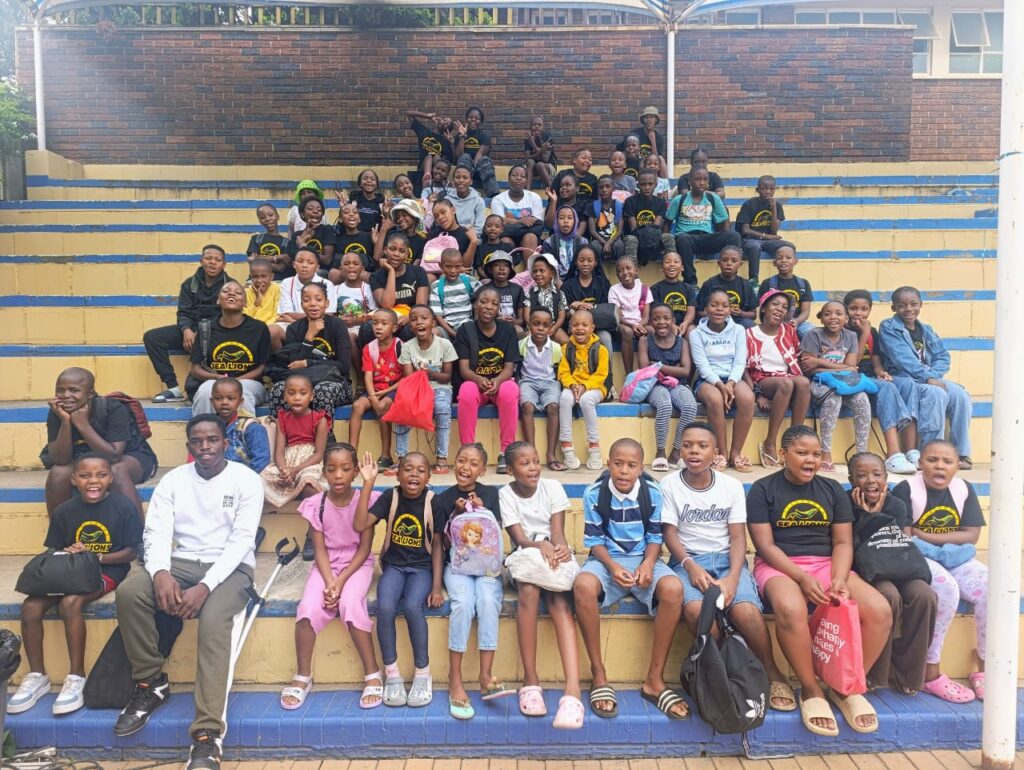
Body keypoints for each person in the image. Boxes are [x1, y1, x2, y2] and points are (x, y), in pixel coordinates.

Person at [112, 414, 263, 770]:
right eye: (197, 441)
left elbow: (242, 541)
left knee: (212, 620)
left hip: (232, 568)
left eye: (212, 440)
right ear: (189, 446)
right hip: (181, 561)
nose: (205, 447)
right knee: (130, 592)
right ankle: (151, 682)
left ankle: (208, 735)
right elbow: (156, 532)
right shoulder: (174, 480)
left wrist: (205, 587)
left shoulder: (246, 480)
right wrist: (160, 572)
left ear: (225, 443)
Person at [746, 425, 893, 737]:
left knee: (880, 611)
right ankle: (811, 688)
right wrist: (801, 578)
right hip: (779, 565)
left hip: (827, 564)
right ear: (783, 455)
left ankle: (845, 686)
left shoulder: (832, 490)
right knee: (790, 608)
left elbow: (842, 542)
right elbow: (765, 546)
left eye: (816, 454)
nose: (810, 460)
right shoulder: (762, 489)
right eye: (802, 453)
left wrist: (839, 578)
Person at [661, 423, 796, 712]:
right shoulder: (669, 484)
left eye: (702, 446)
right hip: (688, 560)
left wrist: (734, 577)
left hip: (727, 560)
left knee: (745, 611)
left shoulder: (731, 486)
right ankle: (722, 669)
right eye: (687, 445)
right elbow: (670, 534)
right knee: (697, 611)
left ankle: (771, 671)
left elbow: (737, 538)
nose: (694, 451)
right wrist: (690, 567)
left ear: (716, 453)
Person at [11, 453, 143, 716]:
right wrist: (70, 552)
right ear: (73, 479)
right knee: (31, 606)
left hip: (109, 569)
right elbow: (55, 549)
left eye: (101, 475)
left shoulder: (123, 507)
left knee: (71, 602)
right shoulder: (64, 511)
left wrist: (95, 557)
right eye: (85, 475)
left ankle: (76, 676)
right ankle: (37, 676)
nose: (93, 481)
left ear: (111, 477)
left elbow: (131, 552)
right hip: (71, 570)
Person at [573, 438, 687, 722]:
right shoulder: (594, 493)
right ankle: (599, 673)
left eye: (631, 465)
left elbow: (655, 536)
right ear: (608, 463)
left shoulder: (653, 492)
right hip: (606, 560)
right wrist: (612, 567)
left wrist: (648, 563)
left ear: (641, 468)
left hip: (643, 559)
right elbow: (595, 541)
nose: (624, 470)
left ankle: (654, 680)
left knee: (673, 588)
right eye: (618, 463)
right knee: (583, 585)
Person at [281, 444, 382, 710]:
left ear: (356, 471)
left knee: (350, 603)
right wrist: (329, 582)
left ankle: (372, 673)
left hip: (357, 565)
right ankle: (303, 675)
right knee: (307, 608)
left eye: (346, 469)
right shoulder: (316, 504)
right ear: (323, 473)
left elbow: (365, 549)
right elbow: (320, 550)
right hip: (326, 566)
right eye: (332, 469)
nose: (338, 475)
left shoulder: (367, 500)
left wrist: (340, 582)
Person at [892, 439, 987, 702]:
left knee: (991, 587)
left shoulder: (963, 489)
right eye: (932, 460)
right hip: (918, 557)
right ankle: (930, 669)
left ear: (957, 466)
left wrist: (926, 536)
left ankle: (985, 666)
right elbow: (905, 538)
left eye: (947, 461)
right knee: (946, 588)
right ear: (920, 463)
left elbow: (971, 535)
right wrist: (938, 544)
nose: (939, 466)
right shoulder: (906, 489)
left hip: (953, 557)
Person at [499, 441, 582, 729]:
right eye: (525, 464)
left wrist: (559, 550)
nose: (533, 467)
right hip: (526, 557)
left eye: (536, 461)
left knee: (559, 598)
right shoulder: (506, 494)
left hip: (553, 556)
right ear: (510, 470)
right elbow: (520, 539)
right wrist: (540, 546)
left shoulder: (553, 487)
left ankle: (572, 691)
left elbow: (558, 533)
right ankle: (530, 680)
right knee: (529, 591)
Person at [354, 451, 441, 708]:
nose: (414, 474)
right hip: (394, 566)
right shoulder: (390, 497)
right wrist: (368, 483)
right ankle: (391, 673)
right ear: (397, 474)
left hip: (422, 568)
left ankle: (423, 673)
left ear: (429, 476)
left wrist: (436, 586)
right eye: (408, 469)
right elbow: (360, 524)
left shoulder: (433, 501)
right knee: (385, 607)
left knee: (413, 606)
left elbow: (438, 545)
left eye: (421, 470)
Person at [430, 443, 511, 719]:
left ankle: (486, 676)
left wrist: (481, 510)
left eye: (473, 464)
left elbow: (493, 536)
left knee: (487, 601)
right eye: (462, 460)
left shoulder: (491, 494)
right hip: (457, 567)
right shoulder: (442, 500)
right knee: (463, 604)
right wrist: (456, 514)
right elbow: (440, 544)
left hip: (487, 567)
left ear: (483, 470)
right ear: (454, 462)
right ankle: (455, 678)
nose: (466, 467)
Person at [847, 452, 937, 696]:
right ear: (851, 479)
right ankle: (876, 672)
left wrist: (875, 517)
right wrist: (868, 516)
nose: (870, 480)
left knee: (925, 596)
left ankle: (908, 673)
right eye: (862, 475)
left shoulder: (896, 505)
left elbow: (892, 544)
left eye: (877, 474)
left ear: (886, 477)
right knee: (888, 596)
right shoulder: (845, 504)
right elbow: (855, 547)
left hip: (898, 566)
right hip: (866, 570)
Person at [42, 367, 155, 517]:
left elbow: (113, 456)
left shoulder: (113, 408)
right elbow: (60, 459)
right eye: (60, 390)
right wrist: (65, 422)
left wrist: (83, 425)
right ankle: (59, 530)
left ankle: (137, 530)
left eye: (74, 390)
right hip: (83, 457)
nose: (66, 396)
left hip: (129, 456)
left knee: (115, 471)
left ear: (90, 394)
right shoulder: (57, 411)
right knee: (58, 473)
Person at [880, 286, 973, 469]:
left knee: (960, 395)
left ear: (921, 304)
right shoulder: (889, 327)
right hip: (903, 378)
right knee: (936, 394)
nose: (908, 309)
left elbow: (943, 356)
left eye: (913, 304)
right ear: (893, 308)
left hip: (928, 377)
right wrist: (929, 378)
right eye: (902, 305)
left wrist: (933, 376)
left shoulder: (926, 329)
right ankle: (931, 454)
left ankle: (960, 453)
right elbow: (902, 359)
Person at [144, 245, 232, 403]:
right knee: (152, 337)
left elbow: (229, 315)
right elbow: (184, 312)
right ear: (201, 261)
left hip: (217, 332)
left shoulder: (230, 286)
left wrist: (204, 330)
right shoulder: (189, 284)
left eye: (217, 260)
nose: (212, 262)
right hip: (192, 330)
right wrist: (186, 330)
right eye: (208, 258)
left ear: (224, 264)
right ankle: (173, 388)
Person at [844, 289, 919, 474]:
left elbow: (875, 360)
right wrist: (864, 333)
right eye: (853, 308)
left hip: (871, 377)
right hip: (852, 377)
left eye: (864, 309)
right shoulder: (843, 330)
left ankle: (911, 451)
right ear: (846, 309)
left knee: (907, 383)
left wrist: (881, 373)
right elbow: (852, 364)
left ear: (870, 310)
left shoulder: (873, 332)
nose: (858, 313)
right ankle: (893, 455)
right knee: (887, 388)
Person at [456, 287, 523, 474]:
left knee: (510, 390)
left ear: (499, 308)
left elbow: (509, 368)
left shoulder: (507, 330)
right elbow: (464, 369)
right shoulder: (466, 330)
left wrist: (497, 381)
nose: (488, 307)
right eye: (484, 302)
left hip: (500, 384)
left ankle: (506, 452)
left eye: (494, 303)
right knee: (466, 390)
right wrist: (479, 379)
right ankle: (468, 449)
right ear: (475, 305)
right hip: (476, 384)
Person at [800, 300, 872, 471]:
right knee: (833, 398)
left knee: (862, 398)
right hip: (818, 383)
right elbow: (809, 368)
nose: (833, 317)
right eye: (827, 314)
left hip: (844, 383)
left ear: (846, 318)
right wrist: (843, 367)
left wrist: (819, 361)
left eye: (839, 313)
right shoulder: (813, 335)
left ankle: (862, 453)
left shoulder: (851, 336)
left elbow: (852, 367)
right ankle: (825, 453)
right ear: (821, 318)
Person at [689, 288, 755, 472]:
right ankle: (721, 453)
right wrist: (720, 385)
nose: (719, 309)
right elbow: (702, 365)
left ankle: (736, 453)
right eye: (714, 305)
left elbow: (740, 361)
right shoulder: (696, 334)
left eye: (725, 306)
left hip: (733, 377)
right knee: (716, 399)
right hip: (708, 380)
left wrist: (731, 384)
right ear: (706, 309)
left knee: (748, 398)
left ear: (730, 310)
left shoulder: (738, 330)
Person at [745, 290, 810, 469]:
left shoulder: (788, 330)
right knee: (786, 383)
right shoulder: (749, 334)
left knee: (804, 383)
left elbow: (797, 357)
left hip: (786, 376)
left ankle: (794, 440)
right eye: (775, 304)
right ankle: (770, 442)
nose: (780, 309)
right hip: (763, 379)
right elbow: (744, 368)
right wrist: (757, 395)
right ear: (763, 308)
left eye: (784, 307)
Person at [186, 280, 271, 416]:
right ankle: (205, 429)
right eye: (226, 291)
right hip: (214, 380)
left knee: (240, 392)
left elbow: (263, 367)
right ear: (218, 300)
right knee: (205, 391)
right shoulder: (205, 329)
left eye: (238, 293)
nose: (232, 294)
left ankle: (242, 429)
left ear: (245, 303)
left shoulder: (259, 328)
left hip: (249, 382)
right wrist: (218, 378)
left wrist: (237, 381)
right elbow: (195, 369)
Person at [267, 282, 353, 416]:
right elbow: (294, 366)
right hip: (302, 382)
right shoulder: (294, 328)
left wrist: (308, 363)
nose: (313, 304)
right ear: (302, 304)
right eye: (307, 300)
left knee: (321, 391)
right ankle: (283, 429)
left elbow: (343, 367)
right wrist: (309, 336)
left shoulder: (338, 326)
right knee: (279, 389)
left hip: (335, 382)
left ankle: (324, 430)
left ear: (327, 303)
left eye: (318, 299)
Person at [396, 305, 458, 474]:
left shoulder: (444, 344)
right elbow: (409, 378)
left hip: (440, 388)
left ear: (433, 323)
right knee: (403, 406)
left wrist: (429, 373)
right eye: (414, 319)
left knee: (442, 408)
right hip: (416, 388)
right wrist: (422, 379)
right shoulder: (407, 347)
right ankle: (401, 456)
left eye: (424, 318)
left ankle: (442, 457)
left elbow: (447, 377)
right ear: (410, 326)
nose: (419, 322)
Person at [638, 303, 698, 470]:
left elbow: (685, 371)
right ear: (650, 322)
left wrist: (658, 365)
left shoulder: (682, 342)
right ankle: (660, 453)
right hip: (654, 385)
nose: (661, 322)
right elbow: (646, 369)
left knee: (690, 406)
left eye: (666, 318)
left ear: (673, 321)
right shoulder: (645, 341)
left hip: (678, 384)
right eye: (656, 319)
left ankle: (676, 452)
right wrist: (673, 368)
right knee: (664, 405)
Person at [260, 373, 330, 509]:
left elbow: (319, 454)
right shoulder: (282, 419)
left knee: (309, 483)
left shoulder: (320, 420)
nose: (297, 397)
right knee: (261, 479)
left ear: (311, 396)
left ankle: (319, 518)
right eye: (291, 393)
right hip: (288, 462)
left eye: (303, 393)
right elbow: (279, 452)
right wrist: (284, 470)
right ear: (285, 397)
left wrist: (296, 470)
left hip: (309, 462)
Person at [665, 169, 741, 285]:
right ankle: (690, 281)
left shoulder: (713, 198)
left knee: (733, 236)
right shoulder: (679, 199)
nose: (701, 183)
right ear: (690, 182)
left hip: (707, 237)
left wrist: (726, 243)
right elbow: (667, 223)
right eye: (697, 179)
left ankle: (730, 277)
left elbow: (724, 221)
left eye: (705, 179)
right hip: (687, 239)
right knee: (682, 238)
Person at [349, 309, 403, 470]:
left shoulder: (400, 346)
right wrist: (372, 396)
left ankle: (386, 456)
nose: (378, 327)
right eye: (375, 323)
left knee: (383, 406)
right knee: (357, 406)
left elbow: (406, 378)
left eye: (384, 323)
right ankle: (351, 455)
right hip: (375, 389)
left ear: (394, 328)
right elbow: (368, 376)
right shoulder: (369, 348)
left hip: (394, 388)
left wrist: (383, 394)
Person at [558, 308, 609, 472]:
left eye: (584, 325)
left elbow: (601, 375)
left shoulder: (600, 349)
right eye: (575, 325)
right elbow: (563, 372)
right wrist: (572, 385)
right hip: (573, 386)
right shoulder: (566, 348)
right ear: (570, 327)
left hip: (595, 387)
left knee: (586, 401)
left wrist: (585, 386)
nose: (580, 328)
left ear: (592, 328)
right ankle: (566, 444)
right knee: (565, 398)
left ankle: (594, 446)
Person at [363, 232, 430, 348]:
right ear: (385, 250)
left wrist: (409, 318)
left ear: (407, 254)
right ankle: (371, 359)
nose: (396, 254)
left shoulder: (418, 272)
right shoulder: (376, 277)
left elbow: (420, 306)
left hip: (410, 317)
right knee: (367, 328)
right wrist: (391, 272)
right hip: (387, 320)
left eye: (401, 251)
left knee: (408, 330)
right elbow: (387, 304)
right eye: (392, 249)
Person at [518, 307, 563, 471]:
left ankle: (551, 453)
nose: (540, 329)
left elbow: (559, 370)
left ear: (551, 327)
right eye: (536, 324)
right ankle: (532, 452)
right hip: (528, 382)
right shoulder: (521, 346)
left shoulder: (556, 348)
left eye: (545, 325)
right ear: (529, 325)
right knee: (527, 406)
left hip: (550, 382)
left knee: (553, 407)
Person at [736, 175, 794, 287]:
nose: (767, 192)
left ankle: (785, 277)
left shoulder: (777, 205)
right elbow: (745, 230)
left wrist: (774, 210)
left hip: (767, 241)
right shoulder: (749, 204)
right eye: (763, 188)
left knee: (789, 247)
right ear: (757, 189)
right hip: (749, 239)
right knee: (754, 247)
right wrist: (766, 236)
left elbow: (774, 231)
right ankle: (753, 279)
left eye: (771, 189)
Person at [209, 378, 271, 473]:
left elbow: (261, 460)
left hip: (245, 477)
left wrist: (243, 479)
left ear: (240, 401)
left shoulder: (251, 428)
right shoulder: (207, 428)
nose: (224, 402)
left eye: (230, 398)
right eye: (218, 398)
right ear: (212, 401)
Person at [695, 246, 758, 329]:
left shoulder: (746, 285)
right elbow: (699, 312)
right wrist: (714, 313)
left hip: (738, 321)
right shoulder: (709, 284)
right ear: (719, 263)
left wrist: (741, 313)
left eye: (734, 261)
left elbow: (753, 314)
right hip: (714, 321)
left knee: (750, 325)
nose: (729, 263)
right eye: (725, 260)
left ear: (740, 264)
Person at [757, 246, 813, 338]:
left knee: (810, 332)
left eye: (788, 257)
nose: (784, 260)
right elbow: (763, 310)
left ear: (795, 261)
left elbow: (805, 312)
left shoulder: (803, 284)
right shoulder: (768, 283)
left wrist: (797, 321)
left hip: (797, 321)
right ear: (774, 262)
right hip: (774, 321)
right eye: (779, 258)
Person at [609, 255, 652, 374]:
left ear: (636, 270)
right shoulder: (614, 290)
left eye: (629, 268)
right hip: (622, 325)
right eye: (620, 270)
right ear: (617, 275)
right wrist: (633, 326)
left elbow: (646, 316)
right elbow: (618, 316)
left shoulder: (644, 289)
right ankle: (629, 373)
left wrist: (639, 325)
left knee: (653, 331)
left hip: (640, 323)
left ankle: (650, 372)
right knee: (627, 332)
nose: (625, 272)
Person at [277, 248, 338, 331]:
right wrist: (313, 317)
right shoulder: (287, 282)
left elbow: (328, 315)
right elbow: (285, 313)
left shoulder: (327, 284)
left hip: (319, 324)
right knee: (274, 330)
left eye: (310, 262)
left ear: (317, 267)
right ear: (294, 264)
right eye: (300, 261)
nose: (304, 265)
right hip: (290, 324)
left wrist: (293, 321)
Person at [429, 248, 483, 339]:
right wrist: (453, 334)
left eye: (457, 267)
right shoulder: (436, 286)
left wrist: (476, 316)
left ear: (462, 265)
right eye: (448, 267)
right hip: (447, 328)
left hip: (468, 326)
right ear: (441, 266)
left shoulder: (469, 281)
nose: (453, 271)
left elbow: (484, 294)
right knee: (433, 332)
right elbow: (438, 316)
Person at [491, 163, 545, 252]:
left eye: (522, 176)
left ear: (526, 181)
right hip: (507, 235)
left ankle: (529, 262)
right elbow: (498, 223)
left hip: (528, 235)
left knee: (530, 237)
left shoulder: (534, 197)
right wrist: (521, 221)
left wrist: (509, 221)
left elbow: (537, 223)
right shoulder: (498, 199)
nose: (518, 178)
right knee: (505, 241)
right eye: (514, 175)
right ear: (508, 178)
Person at [623, 170, 672, 266]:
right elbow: (633, 228)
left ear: (656, 185)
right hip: (636, 237)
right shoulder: (630, 201)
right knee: (631, 239)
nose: (647, 187)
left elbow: (656, 227)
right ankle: (632, 270)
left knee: (668, 237)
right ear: (637, 185)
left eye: (650, 184)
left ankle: (671, 268)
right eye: (643, 184)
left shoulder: (661, 202)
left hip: (654, 236)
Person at [521, 252, 568, 344]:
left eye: (542, 271)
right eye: (535, 271)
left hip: (552, 328)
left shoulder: (560, 294)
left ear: (552, 273)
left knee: (565, 341)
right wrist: (531, 326)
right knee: (525, 342)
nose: (537, 274)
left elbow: (562, 315)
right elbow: (527, 314)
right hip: (533, 328)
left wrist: (554, 328)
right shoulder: (529, 293)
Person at [454, 106, 499, 197]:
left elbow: (480, 155)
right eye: (470, 117)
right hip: (464, 174)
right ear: (466, 119)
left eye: (477, 118)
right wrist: (462, 136)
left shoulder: (484, 136)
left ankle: (494, 196)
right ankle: (462, 194)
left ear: (481, 121)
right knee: (465, 156)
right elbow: (459, 155)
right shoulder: (460, 135)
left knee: (484, 160)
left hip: (480, 172)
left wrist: (471, 172)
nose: (473, 120)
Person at [650, 251, 697, 336]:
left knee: (692, 330)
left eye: (676, 262)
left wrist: (686, 323)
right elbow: (656, 313)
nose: (672, 264)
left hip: (683, 325)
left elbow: (691, 311)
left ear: (682, 267)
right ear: (661, 268)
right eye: (667, 262)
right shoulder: (655, 289)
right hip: (663, 324)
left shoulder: (689, 288)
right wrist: (671, 325)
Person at [407, 110, 455, 190]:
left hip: (438, 170)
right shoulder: (424, 132)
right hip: (423, 167)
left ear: (448, 130)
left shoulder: (446, 142)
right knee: (429, 155)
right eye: (444, 120)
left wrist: (451, 143)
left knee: (436, 157)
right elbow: (409, 113)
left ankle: (433, 178)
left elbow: (452, 160)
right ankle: (427, 176)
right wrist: (427, 116)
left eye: (447, 124)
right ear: (439, 120)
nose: (444, 123)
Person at [482, 250, 525, 337]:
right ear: (490, 269)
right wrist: (496, 319)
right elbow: (479, 318)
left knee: (519, 331)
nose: (501, 268)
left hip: (512, 326)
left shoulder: (517, 289)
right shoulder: (484, 290)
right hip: (491, 325)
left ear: (510, 269)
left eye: (506, 265)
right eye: (496, 265)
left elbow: (521, 320)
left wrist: (513, 321)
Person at [373, 198, 427, 268]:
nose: (400, 219)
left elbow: (415, 267)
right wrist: (383, 230)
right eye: (398, 217)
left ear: (415, 217)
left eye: (404, 215)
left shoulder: (421, 241)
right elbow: (377, 257)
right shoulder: (392, 234)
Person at [427, 198, 479, 271]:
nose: (440, 217)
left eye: (443, 212)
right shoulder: (434, 235)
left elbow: (466, 266)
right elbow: (430, 261)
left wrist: (473, 242)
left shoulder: (466, 234)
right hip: (436, 272)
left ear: (453, 210)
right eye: (436, 216)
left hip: (457, 275)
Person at [329, 202, 375, 284]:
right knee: (333, 273)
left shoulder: (369, 236)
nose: (351, 214)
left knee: (367, 275)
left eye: (355, 212)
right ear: (340, 219)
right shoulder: (338, 239)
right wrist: (364, 259)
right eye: (346, 212)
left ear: (359, 219)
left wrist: (376, 243)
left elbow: (374, 261)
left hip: (364, 275)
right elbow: (337, 262)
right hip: (345, 275)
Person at [246, 203, 294, 280]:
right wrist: (278, 257)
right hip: (256, 280)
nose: (267, 219)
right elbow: (252, 261)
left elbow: (280, 268)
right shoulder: (256, 239)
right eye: (262, 217)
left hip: (278, 281)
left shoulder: (287, 242)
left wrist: (259, 260)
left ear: (277, 216)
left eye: (271, 215)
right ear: (260, 221)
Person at [243, 259, 283, 348]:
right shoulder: (246, 293)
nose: (259, 280)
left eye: (263, 276)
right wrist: (256, 303)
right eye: (255, 277)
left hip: (270, 327)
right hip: (252, 330)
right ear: (250, 277)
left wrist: (263, 328)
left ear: (271, 277)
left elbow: (277, 315)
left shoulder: (277, 289)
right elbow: (245, 317)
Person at [293, 195, 337, 271]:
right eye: (310, 209)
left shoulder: (327, 230)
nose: (315, 211)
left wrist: (303, 246)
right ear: (302, 214)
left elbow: (327, 260)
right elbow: (292, 259)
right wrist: (303, 236)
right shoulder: (296, 235)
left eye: (319, 210)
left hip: (322, 272)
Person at [588, 176, 625, 262]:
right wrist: (605, 243)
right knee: (594, 246)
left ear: (613, 188)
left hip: (614, 239)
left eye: (608, 186)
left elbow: (620, 230)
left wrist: (609, 242)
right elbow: (592, 230)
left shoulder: (619, 206)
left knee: (619, 245)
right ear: (597, 190)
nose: (604, 190)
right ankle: (597, 269)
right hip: (598, 239)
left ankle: (620, 267)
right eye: (601, 187)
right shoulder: (592, 206)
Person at [449, 164, 486, 238]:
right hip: (450, 238)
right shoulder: (447, 200)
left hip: (471, 238)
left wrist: (464, 237)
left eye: (465, 177)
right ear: (453, 181)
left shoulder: (478, 201)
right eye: (457, 177)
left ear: (471, 181)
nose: (461, 180)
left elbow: (479, 228)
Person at [523, 116, 557, 189]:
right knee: (530, 162)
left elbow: (545, 159)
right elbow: (527, 158)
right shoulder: (528, 138)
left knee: (539, 164)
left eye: (539, 125)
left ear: (543, 127)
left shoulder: (547, 137)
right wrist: (541, 150)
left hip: (549, 169)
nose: (537, 126)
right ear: (531, 127)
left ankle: (553, 190)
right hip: (534, 171)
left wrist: (533, 144)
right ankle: (528, 190)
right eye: (534, 124)